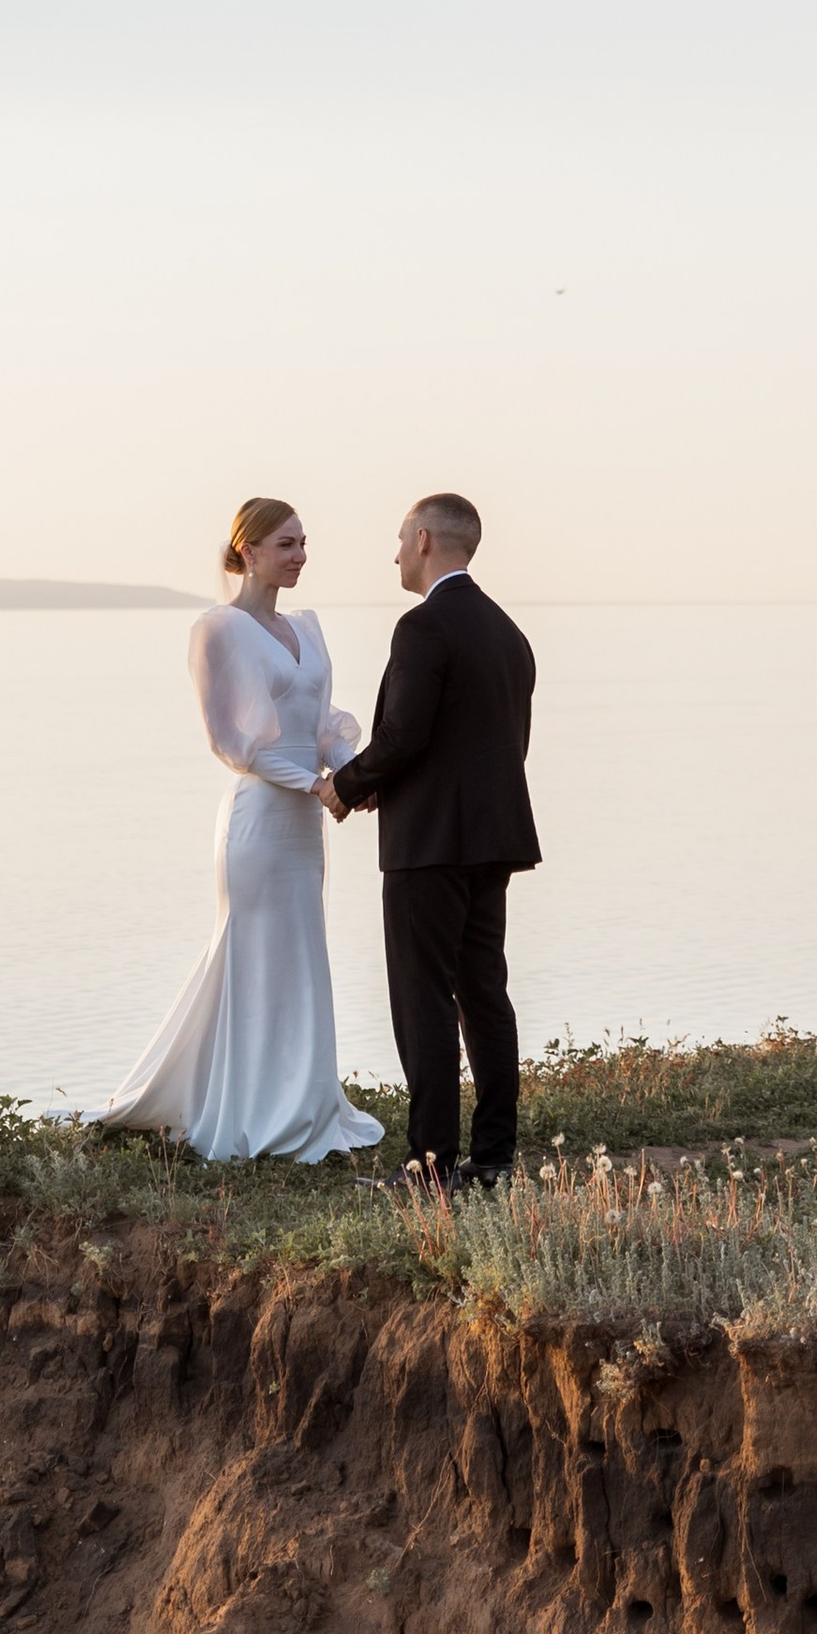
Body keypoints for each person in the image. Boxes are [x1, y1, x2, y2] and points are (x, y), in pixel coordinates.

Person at [101, 500, 385, 1165]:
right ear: (248, 550)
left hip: (305, 824)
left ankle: (304, 1101)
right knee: (254, 954)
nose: (300, 556)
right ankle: (248, 1106)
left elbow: (323, 724)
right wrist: (314, 784)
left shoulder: (308, 630)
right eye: (286, 544)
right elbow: (231, 742)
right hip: (260, 819)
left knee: (301, 955)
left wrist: (350, 775)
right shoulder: (217, 630)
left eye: (304, 543)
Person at [319, 492, 538, 1189]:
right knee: (484, 992)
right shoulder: (507, 632)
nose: (391, 556)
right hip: (493, 839)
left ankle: (432, 1165)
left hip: (430, 846)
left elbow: (407, 734)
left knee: (425, 1000)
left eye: (396, 541)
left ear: (421, 539)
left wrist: (348, 785)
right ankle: (496, 1157)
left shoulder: (423, 628)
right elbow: (488, 744)